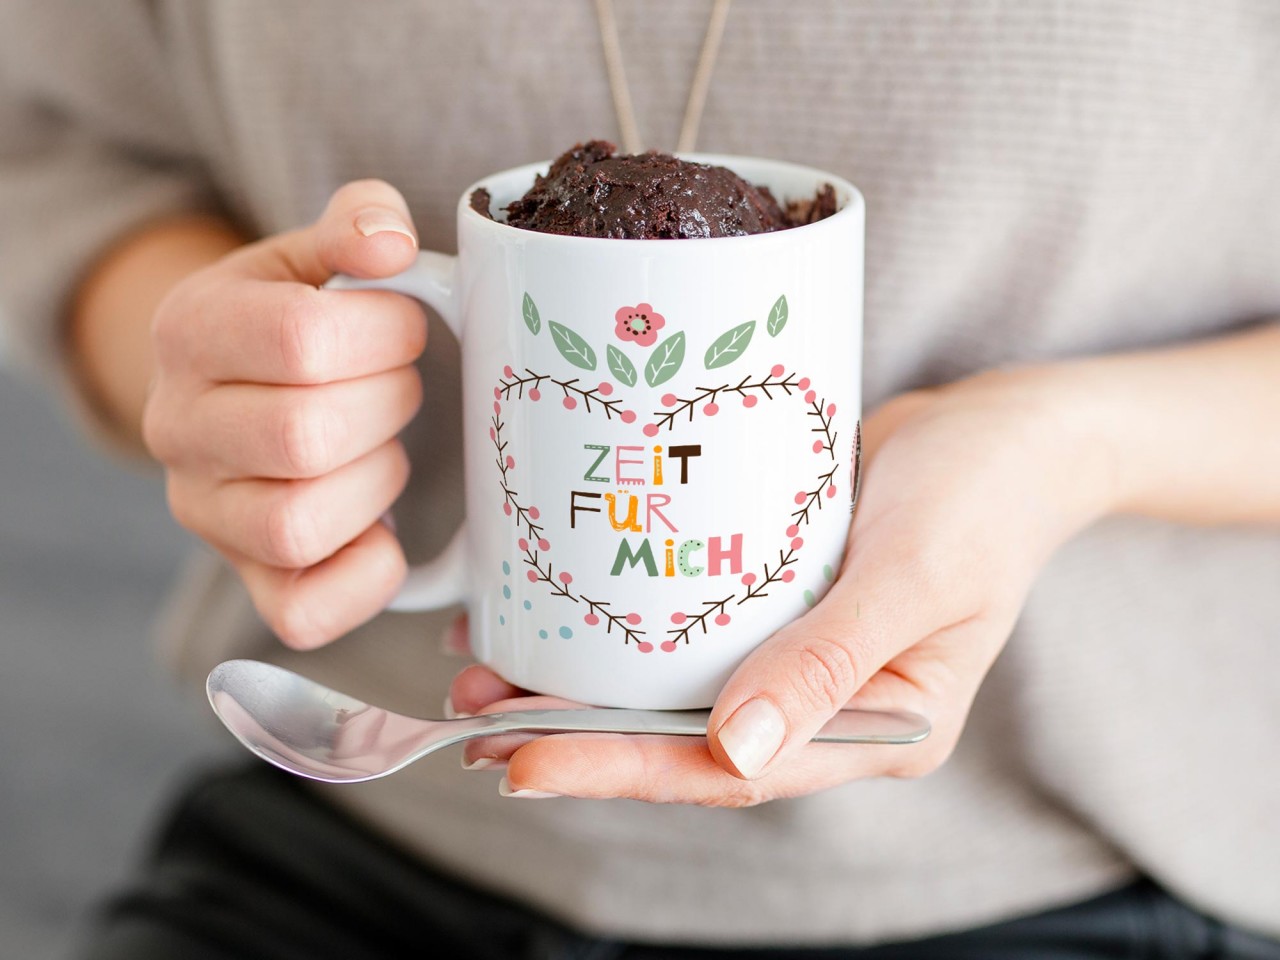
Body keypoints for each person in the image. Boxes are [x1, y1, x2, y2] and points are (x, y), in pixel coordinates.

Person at [2, 2, 1278, 957]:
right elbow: (62, 152)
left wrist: (1071, 442)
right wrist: (227, 371)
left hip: (1065, 872)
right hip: (374, 813)